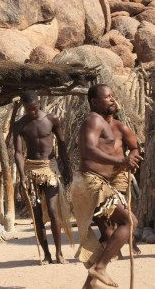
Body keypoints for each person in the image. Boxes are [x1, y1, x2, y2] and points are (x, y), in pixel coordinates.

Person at [71, 84, 142, 288]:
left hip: (99, 183)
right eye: (107, 97)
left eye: (113, 95)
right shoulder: (93, 120)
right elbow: (89, 151)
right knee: (130, 222)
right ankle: (99, 268)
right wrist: (120, 162)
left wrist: (130, 160)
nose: (112, 99)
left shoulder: (113, 125)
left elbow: (135, 147)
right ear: (94, 102)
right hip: (91, 183)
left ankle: (91, 282)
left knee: (111, 234)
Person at [13, 91, 73, 265]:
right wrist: (22, 175)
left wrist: (66, 167)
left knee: (54, 212)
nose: (32, 112)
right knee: (37, 215)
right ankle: (46, 254)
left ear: (38, 103)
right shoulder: (20, 125)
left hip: (49, 167)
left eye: (35, 108)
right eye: (28, 109)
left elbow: (61, 144)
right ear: (23, 107)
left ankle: (59, 253)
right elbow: (17, 152)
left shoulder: (51, 119)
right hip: (31, 168)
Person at [100, 102, 142, 257]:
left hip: (119, 176)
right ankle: (114, 247)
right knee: (105, 214)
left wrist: (129, 160)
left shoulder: (121, 128)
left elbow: (135, 148)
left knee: (124, 212)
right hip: (100, 177)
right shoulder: (92, 129)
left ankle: (131, 242)